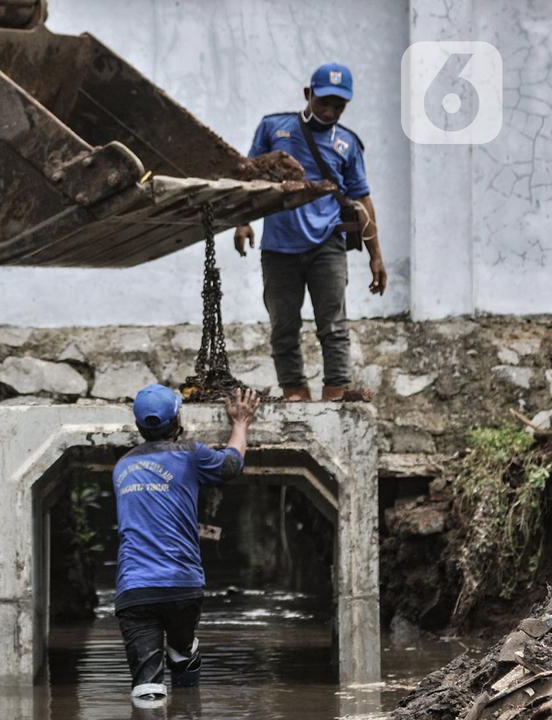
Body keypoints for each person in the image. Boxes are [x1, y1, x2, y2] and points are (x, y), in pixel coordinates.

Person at [234, 63, 386, 402]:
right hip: (279, 247)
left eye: (338, 106)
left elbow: (362, 199)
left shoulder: (347, 144)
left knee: (333, 325)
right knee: (283, 326)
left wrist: (376, 256)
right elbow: (248, 176)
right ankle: (295, 393)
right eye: (323, 102)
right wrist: (242, 221)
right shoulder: (273, 128)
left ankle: (336, 392)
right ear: (308, 94)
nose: (329, 111)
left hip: (326, 245)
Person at [113, 384, 260, 703]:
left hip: (135, 589)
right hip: (182, 586)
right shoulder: (190, 454)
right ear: (177, 421)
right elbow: (230, 466)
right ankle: (187, 696)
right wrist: (240, 423)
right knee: (182, 652)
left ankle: (155, 695)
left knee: (147, 689)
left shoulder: (122, 466)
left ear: (138, 426)